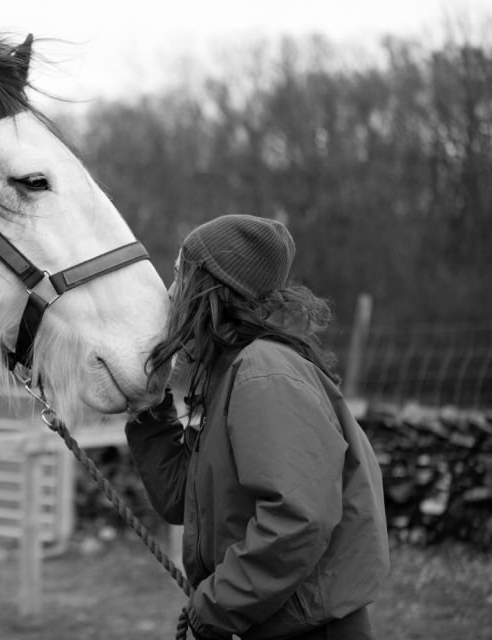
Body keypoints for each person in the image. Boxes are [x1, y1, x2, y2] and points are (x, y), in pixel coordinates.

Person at [125, 214, 389, 640]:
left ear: (211, 287)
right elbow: (183, 499)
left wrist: (215, 607)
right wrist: (149, 405)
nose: (171, 292)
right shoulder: (232, 373)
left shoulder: (264, 373)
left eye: (179, 275)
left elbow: (298, 519)